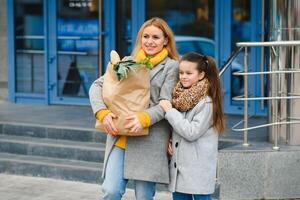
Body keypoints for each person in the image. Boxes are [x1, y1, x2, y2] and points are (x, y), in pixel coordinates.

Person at [89, 17, 179, 200]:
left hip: (150, 139)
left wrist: (143, 118)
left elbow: (166, 102)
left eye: (155, 37)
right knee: (110, 190)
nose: (150, 41)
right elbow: (97, 86)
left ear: (166, 40)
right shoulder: (128, 62)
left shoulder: (172, 67)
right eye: (145, 36)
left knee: (144, 197)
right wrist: (102, 112)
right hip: (121, 135)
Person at [159, 52, 225, 200]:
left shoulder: (206, 103)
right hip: (181, 168)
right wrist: (170, 139)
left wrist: (169, 111)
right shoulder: (180, 97)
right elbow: (179, 126)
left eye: (189, 73)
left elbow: (191, 132)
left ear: (201, 75)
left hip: (197, 169)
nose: (183, 76)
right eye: (181, 72)